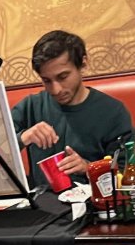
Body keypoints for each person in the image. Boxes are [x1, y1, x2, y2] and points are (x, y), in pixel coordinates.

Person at [12, 30, 134, 188]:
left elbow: (126, 174)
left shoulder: (113, 112)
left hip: (94, 206)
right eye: (46, 80)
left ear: (83, 64)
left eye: (63, 77)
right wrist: (23, 138)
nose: (55, 90)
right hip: (44, 205)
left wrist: (88, 168)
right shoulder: (31, 106)